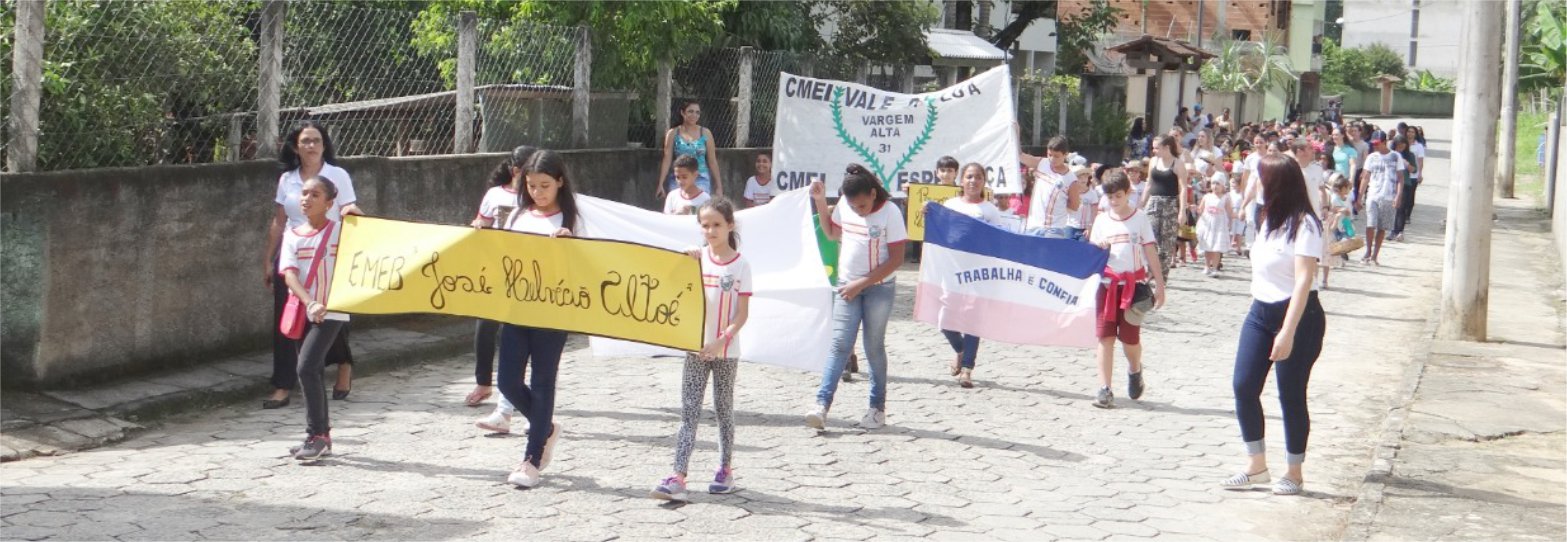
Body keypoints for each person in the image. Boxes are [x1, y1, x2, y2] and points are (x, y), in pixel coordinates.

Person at [1221, 154, 1327, 496]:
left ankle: (1294, 472)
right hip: (1260, 312)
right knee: (1243, 386)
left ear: (1277, 183)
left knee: (1291, 394)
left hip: (1298, 317)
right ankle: (1256, 465)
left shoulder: (1306, 224)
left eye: (1261, 178)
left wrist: (1288, 331)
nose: (1256, 185)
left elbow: (1302, 281)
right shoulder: (1266, 219)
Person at [651, 197, 752, 502]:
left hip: (725, 351)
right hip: (695, 351)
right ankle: (678, 474)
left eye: (717, 225)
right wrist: (683, 262)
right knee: (689, 412)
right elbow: (670, 290)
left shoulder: (741, 265)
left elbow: (742, 313)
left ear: (730, 225)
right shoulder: (696, 259)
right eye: (705, 225)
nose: (710, 231)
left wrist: (722, 340)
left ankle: (725, 469)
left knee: (723, 409)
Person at [497, 149, 580, 488]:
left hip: (553, 311)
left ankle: (532, 458)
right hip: (516, 308)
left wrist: (571, 245)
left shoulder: (573, 220)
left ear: (560, 182)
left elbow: (593, 263)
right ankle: (545, 426)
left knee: (544, 381)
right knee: (507, 381)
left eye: (545, 185)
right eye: (531, 186)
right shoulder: (518, 216)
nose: (538, 192)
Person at [262, 121, 360, 410]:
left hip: (330, 251)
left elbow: (350, 212)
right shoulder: (287, 179)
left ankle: (343, 363)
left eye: (316, 140)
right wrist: (268, 259)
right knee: (288, 317)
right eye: (305, 141)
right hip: (294, 251)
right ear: (295, 146)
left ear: (324, 144)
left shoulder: (337, 175)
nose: (311, 146)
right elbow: (279, 221)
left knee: (333, 317)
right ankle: (283, 384)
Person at [806, 165, 907, 431]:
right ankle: (821, 404)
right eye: (853, 206)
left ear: (873, 194)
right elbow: (832, 233)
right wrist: (819, 201)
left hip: (879, 289)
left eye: (862, 205)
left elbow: (897, 259)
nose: (858, 210)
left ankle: (877, 408)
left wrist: (861, 283)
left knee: (873, 346)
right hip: (846, 286)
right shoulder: (845, 204)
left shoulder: (891, 212)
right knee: (839, 344)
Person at [278, 177, 348, 460]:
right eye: (304, 193)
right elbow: (290, 274)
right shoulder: (292, 234)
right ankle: (320, 435)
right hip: (304, 311)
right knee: (312, 370)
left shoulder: (343, 232)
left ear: (329, 203)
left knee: (305, 367)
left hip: (334, 312)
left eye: (315, 194)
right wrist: (309, 302)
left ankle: (316, 434)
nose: (306, 199)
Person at [1089, 171, 1166, 409]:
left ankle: (1135, 370)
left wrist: (1160, 284)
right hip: (1107, 286)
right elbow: (1092, 251)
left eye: (1118, 196)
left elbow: (1150, 250)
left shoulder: (1139, 218)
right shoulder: (1101, 221)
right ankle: (1105, 388)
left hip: (1133, 287)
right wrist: (1098, 247)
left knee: (1130, 340)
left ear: (1128, 193)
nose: (1114, 201)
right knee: (1105, 337)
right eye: (1110, 197)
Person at [469, 146, 535, 422]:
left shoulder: (537, 198)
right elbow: (481, 223)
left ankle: (510, 399)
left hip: (527, 274)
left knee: (514, 335)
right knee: (485, 326)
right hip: (497, 269)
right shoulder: (495, 195)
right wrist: (477, 227)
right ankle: (484, 382)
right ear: (516, 171)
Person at [940, 164, 1005, 389]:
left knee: (973, 322)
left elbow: (998, 241)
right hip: (953, 271)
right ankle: (960, 349)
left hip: (979, 273)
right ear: (961, 181)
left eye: (978, 177)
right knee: (945, 320)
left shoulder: (990, 210)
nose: (973, 181)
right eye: (969, 177)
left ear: (983, 182)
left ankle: (967, 368)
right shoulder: (950, 206)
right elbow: (939, 233)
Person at [1142, 135, 1191, 277]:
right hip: (1153, 204)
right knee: (1150, 240)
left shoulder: (1178, 164)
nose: (1154, 151)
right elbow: (1149, 184)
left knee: (1166, 245)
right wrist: (1141, 205)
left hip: (1170, 205)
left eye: (1157, 148)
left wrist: (1182, 211)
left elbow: (1183, 189)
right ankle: (1149, 273)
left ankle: (1161, 279)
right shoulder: (1153, 161)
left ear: (1166, 148)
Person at [656, 100, 723, 199]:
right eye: (690, 111)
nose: (694, 115)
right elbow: (667, 159)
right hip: (679, 178)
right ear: (683, 113)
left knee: (698, 209)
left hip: (701, 177)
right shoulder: (673, 133)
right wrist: (660, 184)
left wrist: (719, 186)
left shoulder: (705, 133)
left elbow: (712, 161)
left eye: (697, 112)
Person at [1024, 136, 1086, 240]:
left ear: (1065, 155)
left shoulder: (1070, 179)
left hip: (1054, 229)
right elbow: (1021, 156)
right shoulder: (1042, 163)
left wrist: (1059, 206)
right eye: (1050, 155)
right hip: (1033, 225)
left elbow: (1075, 205)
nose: (1052, 159)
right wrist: (1015, 132)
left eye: (1056, 156)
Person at [1357, 135, 1404, 266]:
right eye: (1373, 144)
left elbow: (1400, 178)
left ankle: (1375, 255)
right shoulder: (1372, 157)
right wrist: (1360, 197)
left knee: (1382, 227)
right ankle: (1368, 251)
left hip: (1388, 195)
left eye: (1378, 143)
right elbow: (1365, 177)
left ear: (1384, 142)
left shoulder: (1395, 156)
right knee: (1370, 223)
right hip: (1373, 194)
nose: (1375, 146)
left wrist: (1398, 196)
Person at [1321, 173, 1354, 289]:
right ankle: (1340, 257)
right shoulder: (1332, 197)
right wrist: (1341, 212)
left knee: (1345, 239)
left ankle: (1341, 256)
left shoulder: (1347, 198)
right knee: (1330, 248)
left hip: (1343, 223)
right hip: (1333, 224)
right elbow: (1332, 208)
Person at [1197, 172, 1234, 277]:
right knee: (1207, 246)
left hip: (1219, 224)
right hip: (1208, 223)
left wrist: (1231, 221)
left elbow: (1229, 212)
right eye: (1213, 183)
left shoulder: (1226, 198)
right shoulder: (1207, 196)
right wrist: (1195, 209)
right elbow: (1201, 210)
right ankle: (1207, 266)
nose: (1215, 186)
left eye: (1218, 184)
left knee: (1216, 247)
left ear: (1223, 185)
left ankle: (1215, 268)